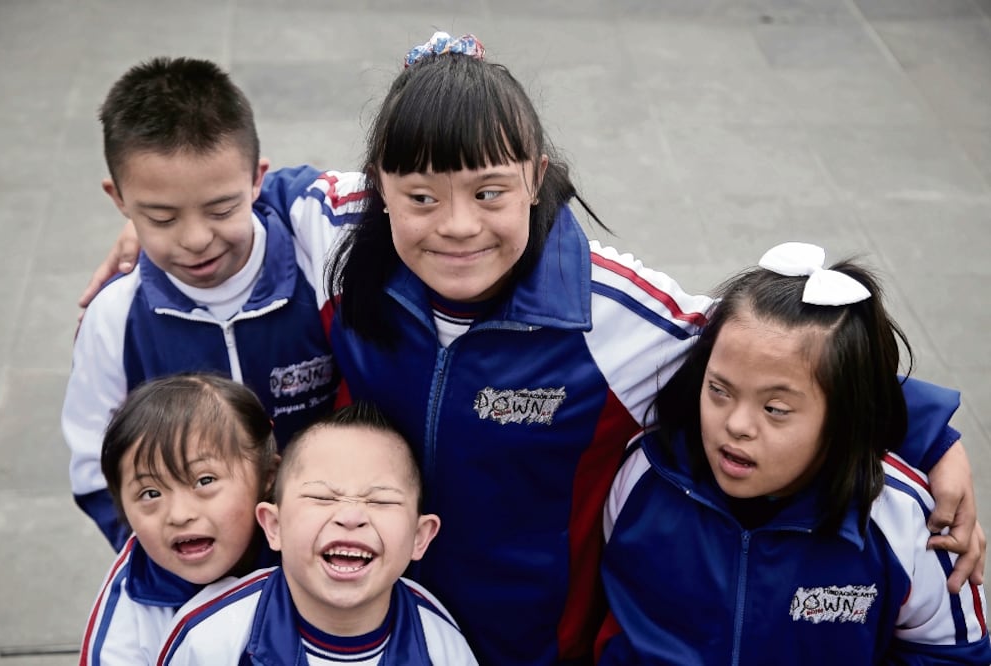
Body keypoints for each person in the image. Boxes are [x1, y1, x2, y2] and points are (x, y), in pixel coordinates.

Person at [80, 34, 984, 666]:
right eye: (420, 196)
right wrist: (164, 235)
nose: (456, 227)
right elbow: (256, 190)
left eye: (490, 192)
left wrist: (932, 434)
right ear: (378, 188)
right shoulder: (334, 225)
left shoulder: (617, 313)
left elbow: (778, 356)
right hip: (364, 614)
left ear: (537, 177)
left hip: (535, 643)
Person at [597, 242, 991, 664]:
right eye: (718, 390)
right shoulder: (643, 477)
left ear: (844, 413)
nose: (737, 425)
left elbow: (952, 655)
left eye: (775, 409)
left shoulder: (906, 519)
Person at [62, 56, 345, 551]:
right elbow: (92, 465)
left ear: (258, 179)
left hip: (326, 555)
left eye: (221, 209)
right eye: (162, 218)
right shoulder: (114, 318)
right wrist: (166, 563)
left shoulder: (317, 267)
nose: (195, 239)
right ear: (119, 200)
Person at [154, 401, 478, 665]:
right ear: (274, 525)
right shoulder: (211, 639)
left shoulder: (441, 646)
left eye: (381, 500)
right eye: (322, 497)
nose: (351, 517)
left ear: (420, 537)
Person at [79, 373, 279, 666]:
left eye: (204, 480)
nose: (179, 515)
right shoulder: (129, 610)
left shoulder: (311, 553)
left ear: (268, 476)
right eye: (150, 493)